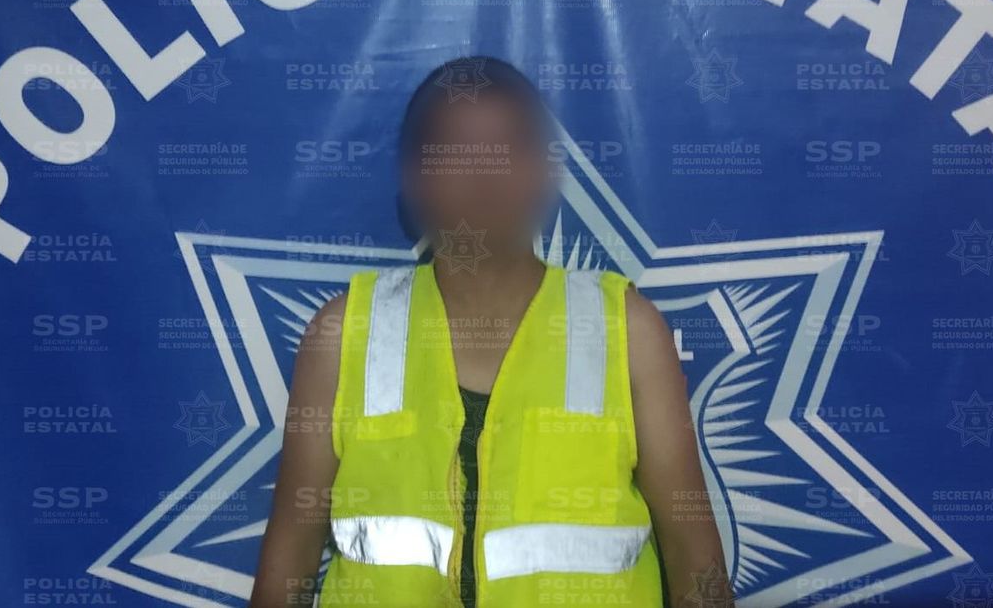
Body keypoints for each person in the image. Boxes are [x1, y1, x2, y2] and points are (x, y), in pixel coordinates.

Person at [249, 56, 734, 607]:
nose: (485, 174)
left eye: (510, 148)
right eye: (456, 150)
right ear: (413, 178)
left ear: (547, 172)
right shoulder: (342, 333)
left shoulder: (627, 330)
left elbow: (696, 563)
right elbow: (287, 563)